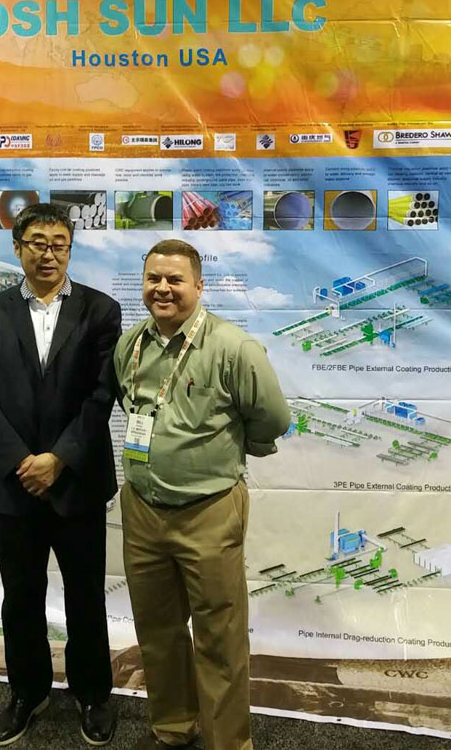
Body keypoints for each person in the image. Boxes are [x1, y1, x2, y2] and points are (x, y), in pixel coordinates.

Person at [114, 239, 290, 750]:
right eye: (153, 279)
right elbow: (130, 405)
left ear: (198, 285)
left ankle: (226, 743)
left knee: (219, 637)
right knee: (158, 630)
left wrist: (226, 450)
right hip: (142, 509)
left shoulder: (234, 348)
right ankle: (173, 727)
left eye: (175, 280)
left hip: (208, 512)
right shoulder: (131, 345)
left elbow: (273, 419)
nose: (162, 289)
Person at [0, 202, 121, 747]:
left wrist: (58, 459)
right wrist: (22, 462)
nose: (48, 253)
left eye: (59, 243)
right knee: (21, 598)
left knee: (86, 597)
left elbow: (102, 396)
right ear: (18, 248)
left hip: (77, 481)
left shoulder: (101, 310)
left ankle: (93, 693)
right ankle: (26, 692)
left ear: (70, 249)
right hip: (17, 486)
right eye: (37, 242)